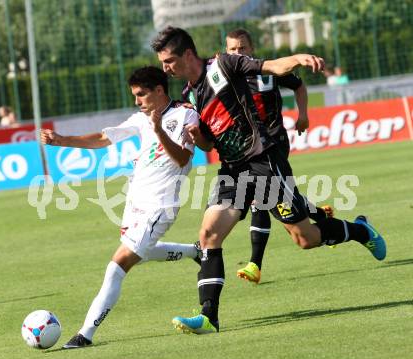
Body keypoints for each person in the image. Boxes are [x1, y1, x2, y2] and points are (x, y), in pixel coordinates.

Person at [151, 26, 386, 335]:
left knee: (305, 238)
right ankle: (209, 316)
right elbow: (208, 145)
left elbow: (271, 67)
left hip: (262, 161)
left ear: (188, 54)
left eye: (169, 61)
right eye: (163, 62)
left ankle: (358, 230)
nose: (165, 68)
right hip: (233, 170)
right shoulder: (189, 95)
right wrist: (199, 136)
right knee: (208, 234)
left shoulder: (224, 64)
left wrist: (300, 58)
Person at [41, 66, 201, 348]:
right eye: (135, 95)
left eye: (141, 95)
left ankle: (85, 334)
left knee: (117, 266)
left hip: (159, 206)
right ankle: (195, 252)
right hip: (136, 202)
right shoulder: (141, 119)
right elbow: (105, 138)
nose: (137, 101)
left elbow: (182, 159)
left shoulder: (185, 114)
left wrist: (159, 131)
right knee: (143, 251)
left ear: (159, 90)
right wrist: (62, 140)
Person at [225, 28, 334, 284]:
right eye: (233, 49)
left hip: (272, 144)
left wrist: (303, 114)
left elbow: (298, 85)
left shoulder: (268, 71)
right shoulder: (225, 78)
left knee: (260, 199)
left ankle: (255, 264)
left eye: (242, 48)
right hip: (246, 149)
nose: (238, 53)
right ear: (226, 52)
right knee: (276, 199)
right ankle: (320, 216)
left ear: (251, 50)